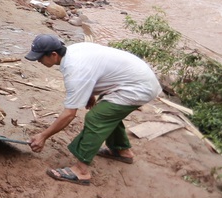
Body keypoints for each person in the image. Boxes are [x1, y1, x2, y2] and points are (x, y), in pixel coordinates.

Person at [25, 34, 162, 185]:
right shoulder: (74, 50)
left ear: (53, 55)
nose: (38, 61)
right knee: (107, 112)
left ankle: (81, 171)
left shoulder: (74, 71)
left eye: (40, 57)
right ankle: (121, 150)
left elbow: (69, 114)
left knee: (96, 118)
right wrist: (89, 93)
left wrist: (43, 136)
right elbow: (94, 69)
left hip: (139, 88)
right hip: (137, 79)